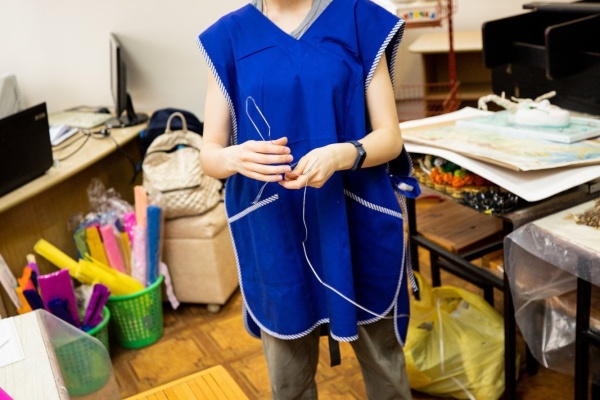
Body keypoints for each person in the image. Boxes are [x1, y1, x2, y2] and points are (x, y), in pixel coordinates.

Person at [197, 0, 421, 398]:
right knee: (289, 378)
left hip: (354, 219)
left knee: (384, 364)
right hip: (275, 231)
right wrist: (234, 157)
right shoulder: (229, 36)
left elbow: (390, 138)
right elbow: (209, 155)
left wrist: (343, 154)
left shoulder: (357, 18)